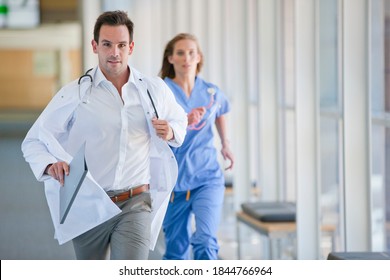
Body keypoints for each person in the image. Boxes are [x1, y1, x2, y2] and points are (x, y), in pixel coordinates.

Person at [21, 10, 187, 260]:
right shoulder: (76, 94)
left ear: (131, 47)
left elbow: (179, 117)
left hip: (136, 202)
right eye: (107, 44)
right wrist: (49, 164)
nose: (114, 53)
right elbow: (34, 140)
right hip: (90, 203)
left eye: (121, 45)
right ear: (95, 46)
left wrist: (172, 130)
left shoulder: (152, 89)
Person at [159, 33, 234, 260]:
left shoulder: (210, 91)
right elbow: (152, 131)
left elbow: (220, 111)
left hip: (207, 177)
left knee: (205, 242)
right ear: (170, 58)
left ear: (199, 57)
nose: (186, 58)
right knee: (176, 251)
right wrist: (184, 122)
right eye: (180, 53)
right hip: (174, 183)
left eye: (192, 53)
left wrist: (225, 144)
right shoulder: (161, 92)